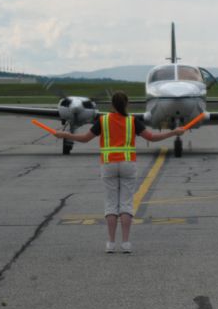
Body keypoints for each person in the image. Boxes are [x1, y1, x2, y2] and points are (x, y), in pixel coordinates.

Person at [54, 91, 185, 254]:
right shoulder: (132, 121)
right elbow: (151, 137)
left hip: (109, 164)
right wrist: (174, 132)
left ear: (112, 105)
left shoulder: (103, 120)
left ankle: (110, 243)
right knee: (126, 204)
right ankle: (126, 243)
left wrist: (65, 134)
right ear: (127, 104)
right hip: (128, 165)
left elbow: (85, 138)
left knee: (111, 204)